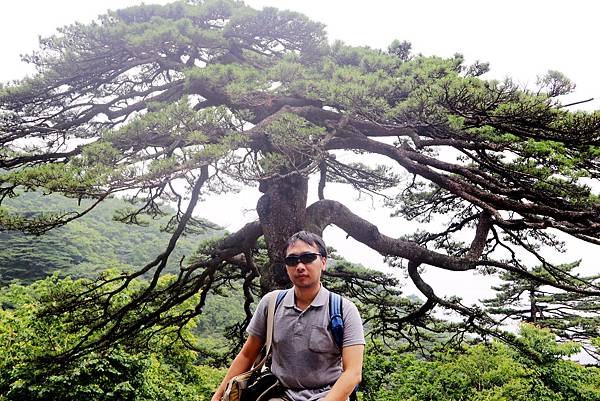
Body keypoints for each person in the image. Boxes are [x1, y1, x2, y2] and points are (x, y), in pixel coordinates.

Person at [211, 231, 365, 401]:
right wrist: (219, 396)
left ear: (323, 262)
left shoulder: (344, 310)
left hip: (328, 395)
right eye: (292, 260)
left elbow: (353, 372)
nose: (300, 266)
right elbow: (247, 355)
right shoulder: (271, 303)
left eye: (308, 257)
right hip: (277, 394)